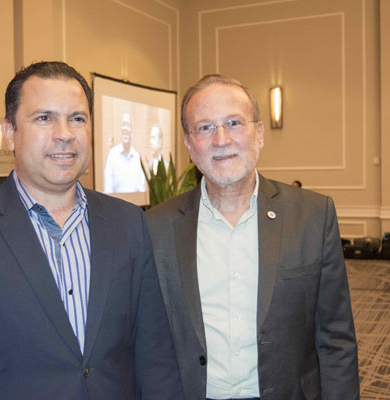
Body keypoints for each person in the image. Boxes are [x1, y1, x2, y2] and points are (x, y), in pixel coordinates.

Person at [0, 61, 183, 400]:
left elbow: (155, 357)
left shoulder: (129, 224)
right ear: (9, 134)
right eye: (44, 118)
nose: (64, 133)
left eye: (77, 118)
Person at [146, 74, 359, 400]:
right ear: (189, 145)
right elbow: (147, 343)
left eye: (234, 123)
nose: (221, 139)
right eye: (204, 127)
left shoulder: (313, 217)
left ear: (258, 133)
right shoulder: (156, 228)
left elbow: (335, 339)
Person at [104, 113, 146, 193]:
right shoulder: (112, 154)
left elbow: (142, 188)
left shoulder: (137, 157)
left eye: (128, 125)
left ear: (132, 131)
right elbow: (108, 188)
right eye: (123, 124)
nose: (125, 129)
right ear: (120, 128)